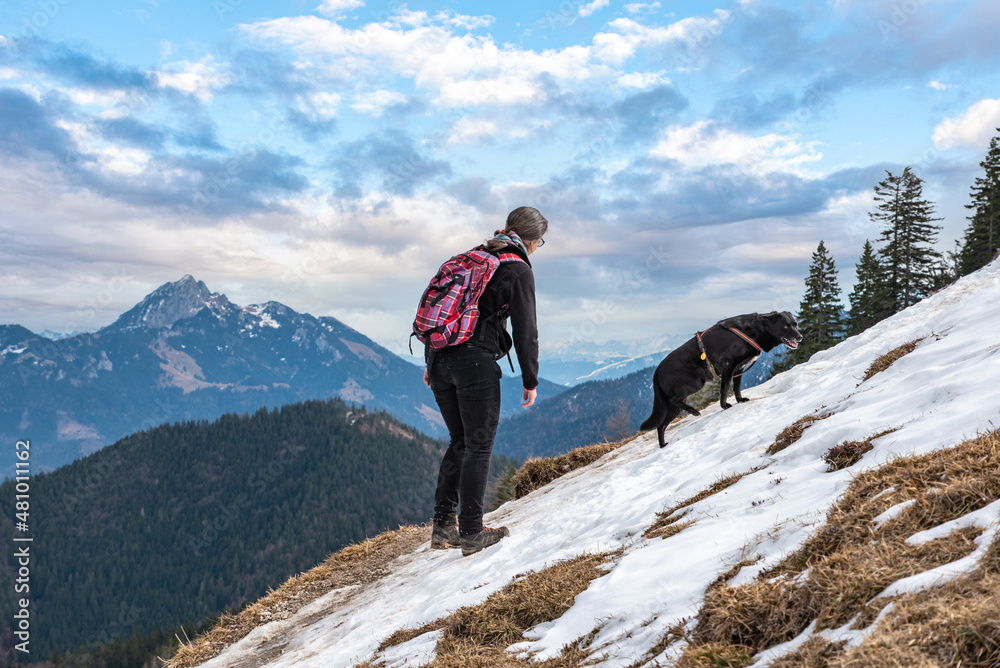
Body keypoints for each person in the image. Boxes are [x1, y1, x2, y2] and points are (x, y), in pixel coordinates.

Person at [423, 206, 547, 556]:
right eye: (541, 241)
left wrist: (435, 361)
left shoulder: (474, 256)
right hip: (473, 363)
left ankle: (444, 526)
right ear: (531, 239)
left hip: (438, 356)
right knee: (478, 445)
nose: (539, 247)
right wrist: (530, 378)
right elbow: (526, 332)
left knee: (459, 441)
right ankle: (473, 532)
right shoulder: (518, 269)